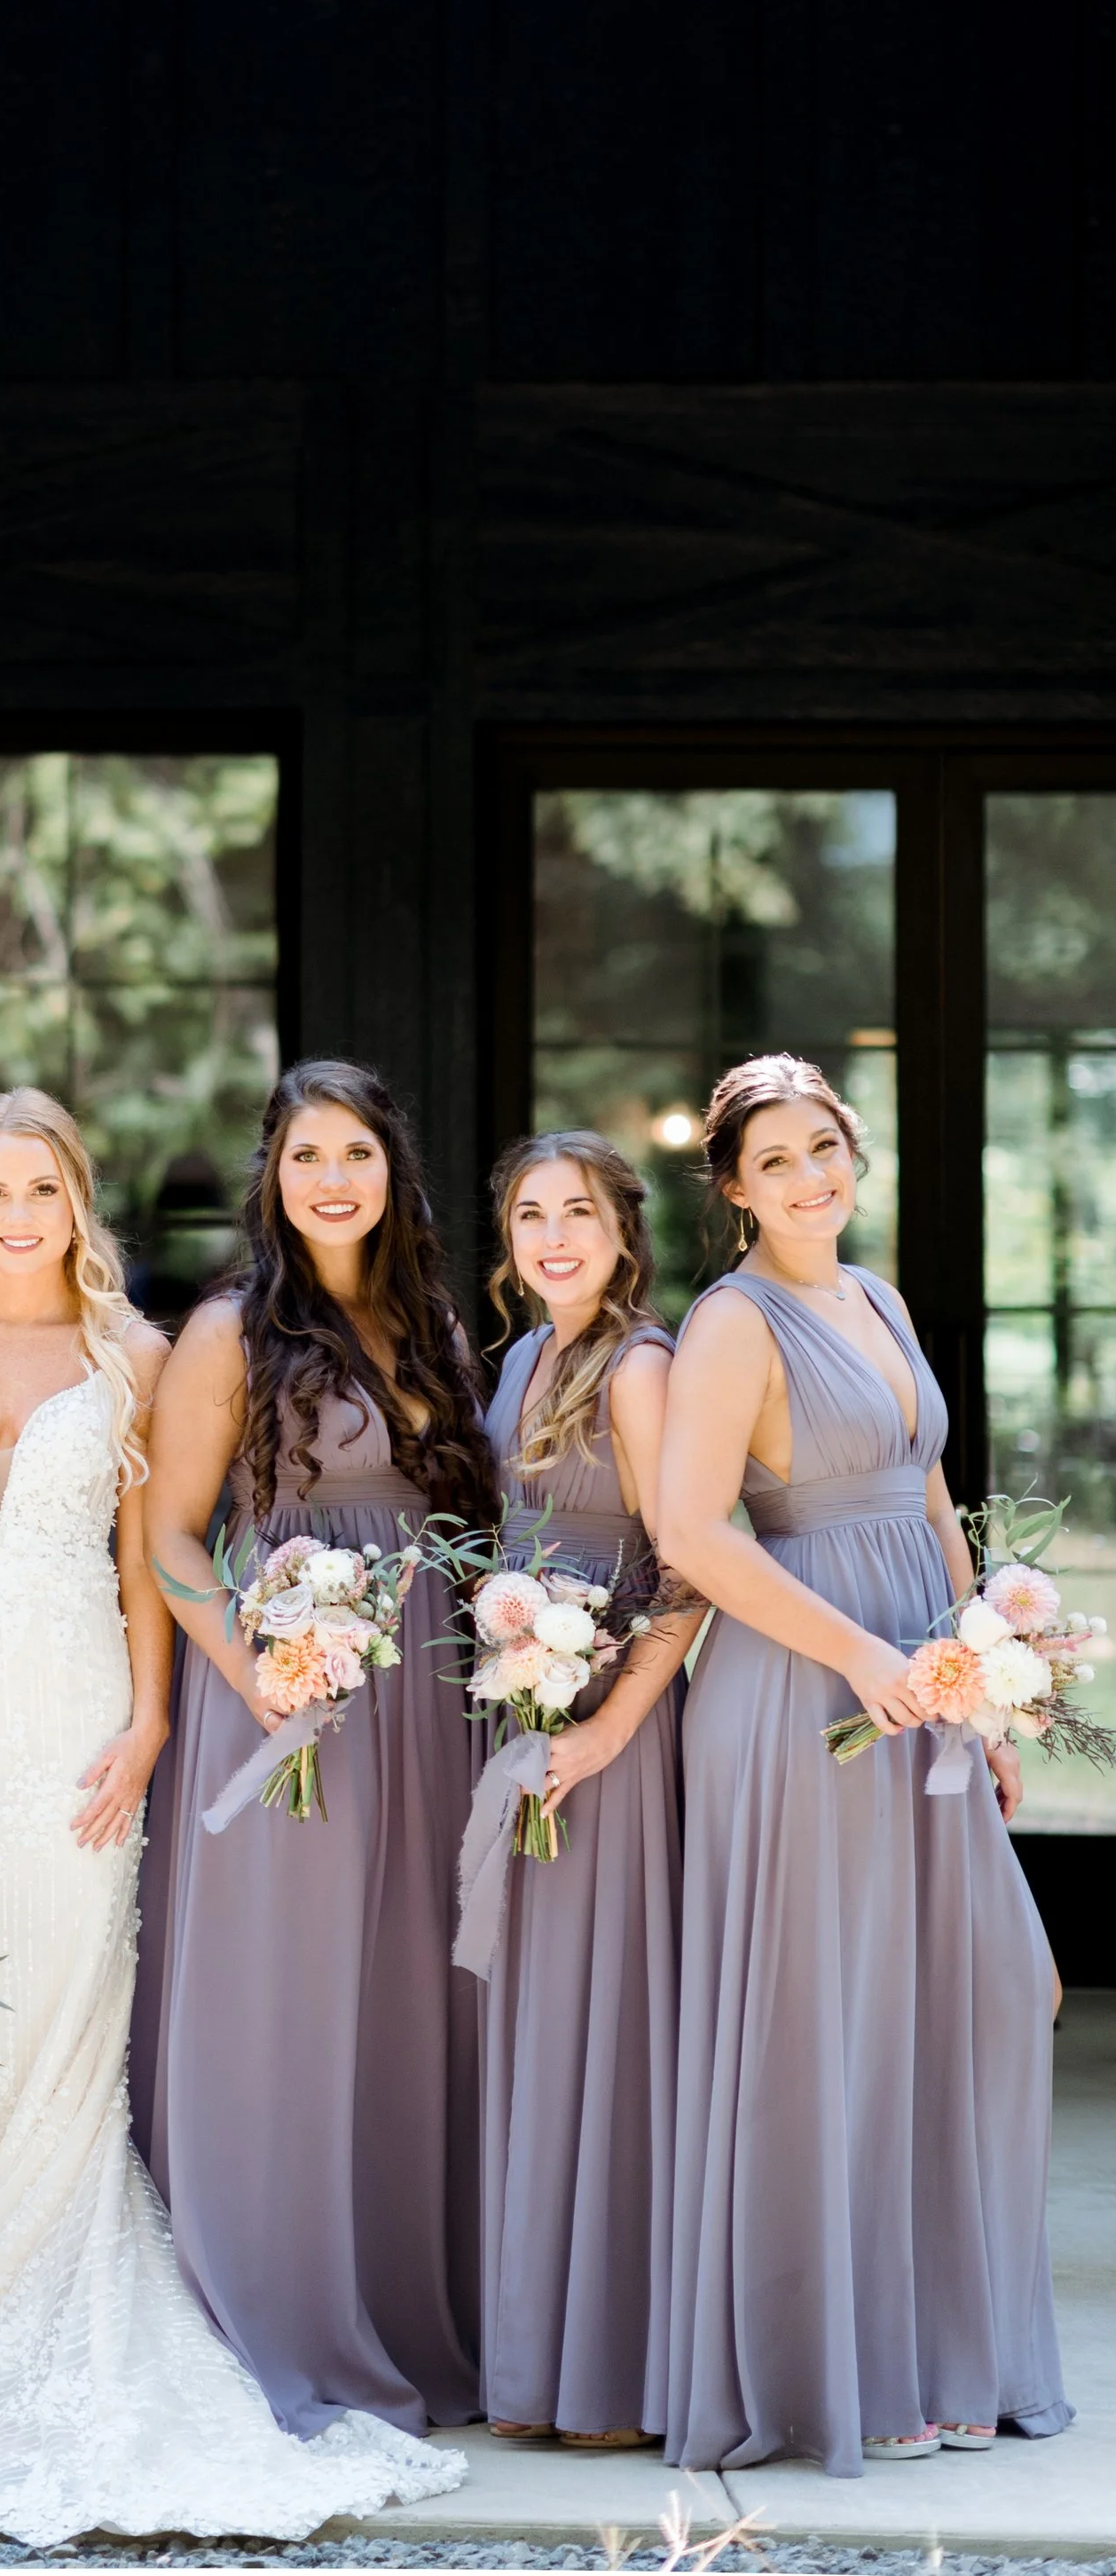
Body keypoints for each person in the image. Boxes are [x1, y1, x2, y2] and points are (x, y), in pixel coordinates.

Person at [0, 1086, 464, 2544]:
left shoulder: (137, 1352)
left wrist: (154, 1721)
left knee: (67, 2015)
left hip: (82, 1707)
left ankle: (63, 2296)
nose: (18, 1217)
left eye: (43, 1191)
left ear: (78, 1201)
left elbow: (152, 1549)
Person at [660, 1052, 1069, 2473]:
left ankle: (946, 2346)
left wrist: (984, 1695)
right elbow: (694, 1534)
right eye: (774, 1162)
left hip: (924, 1692)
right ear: (731, 1189)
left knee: (987, 1997)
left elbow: (935, 1499)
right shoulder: (732, 1322)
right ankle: (843, 2373)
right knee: (833, 2031)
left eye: (824, 1148)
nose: (809, 1177)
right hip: (803, 1703)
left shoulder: (880, 1299)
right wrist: (859, 1656)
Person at [135, 1058, 491, 2439]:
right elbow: (170, 1538)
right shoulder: (228, 1332)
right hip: (281, 1697)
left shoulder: (438, 1328)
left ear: (392, 1170)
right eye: (303, 1158)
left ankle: (404, 2309)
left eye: (354, 1153)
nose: (330, 1179)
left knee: (405, 1996)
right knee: (280, 2000)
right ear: (270, 1181)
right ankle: (267, 2309)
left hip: (425, 1701)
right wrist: (258, 1672)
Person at [472, 1132, 690, 2453]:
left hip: (612, 1734)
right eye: (530, 1215)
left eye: (580, 1214)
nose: (554, 1236)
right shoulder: (516, 1362)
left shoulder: (646, 1369)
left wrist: (608, 1730)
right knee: (541, 2023)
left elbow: (686, 1571)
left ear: (624, 1232)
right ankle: (539, 2360)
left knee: (607, 2026)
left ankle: (609, 2369)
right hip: (524, 1718)